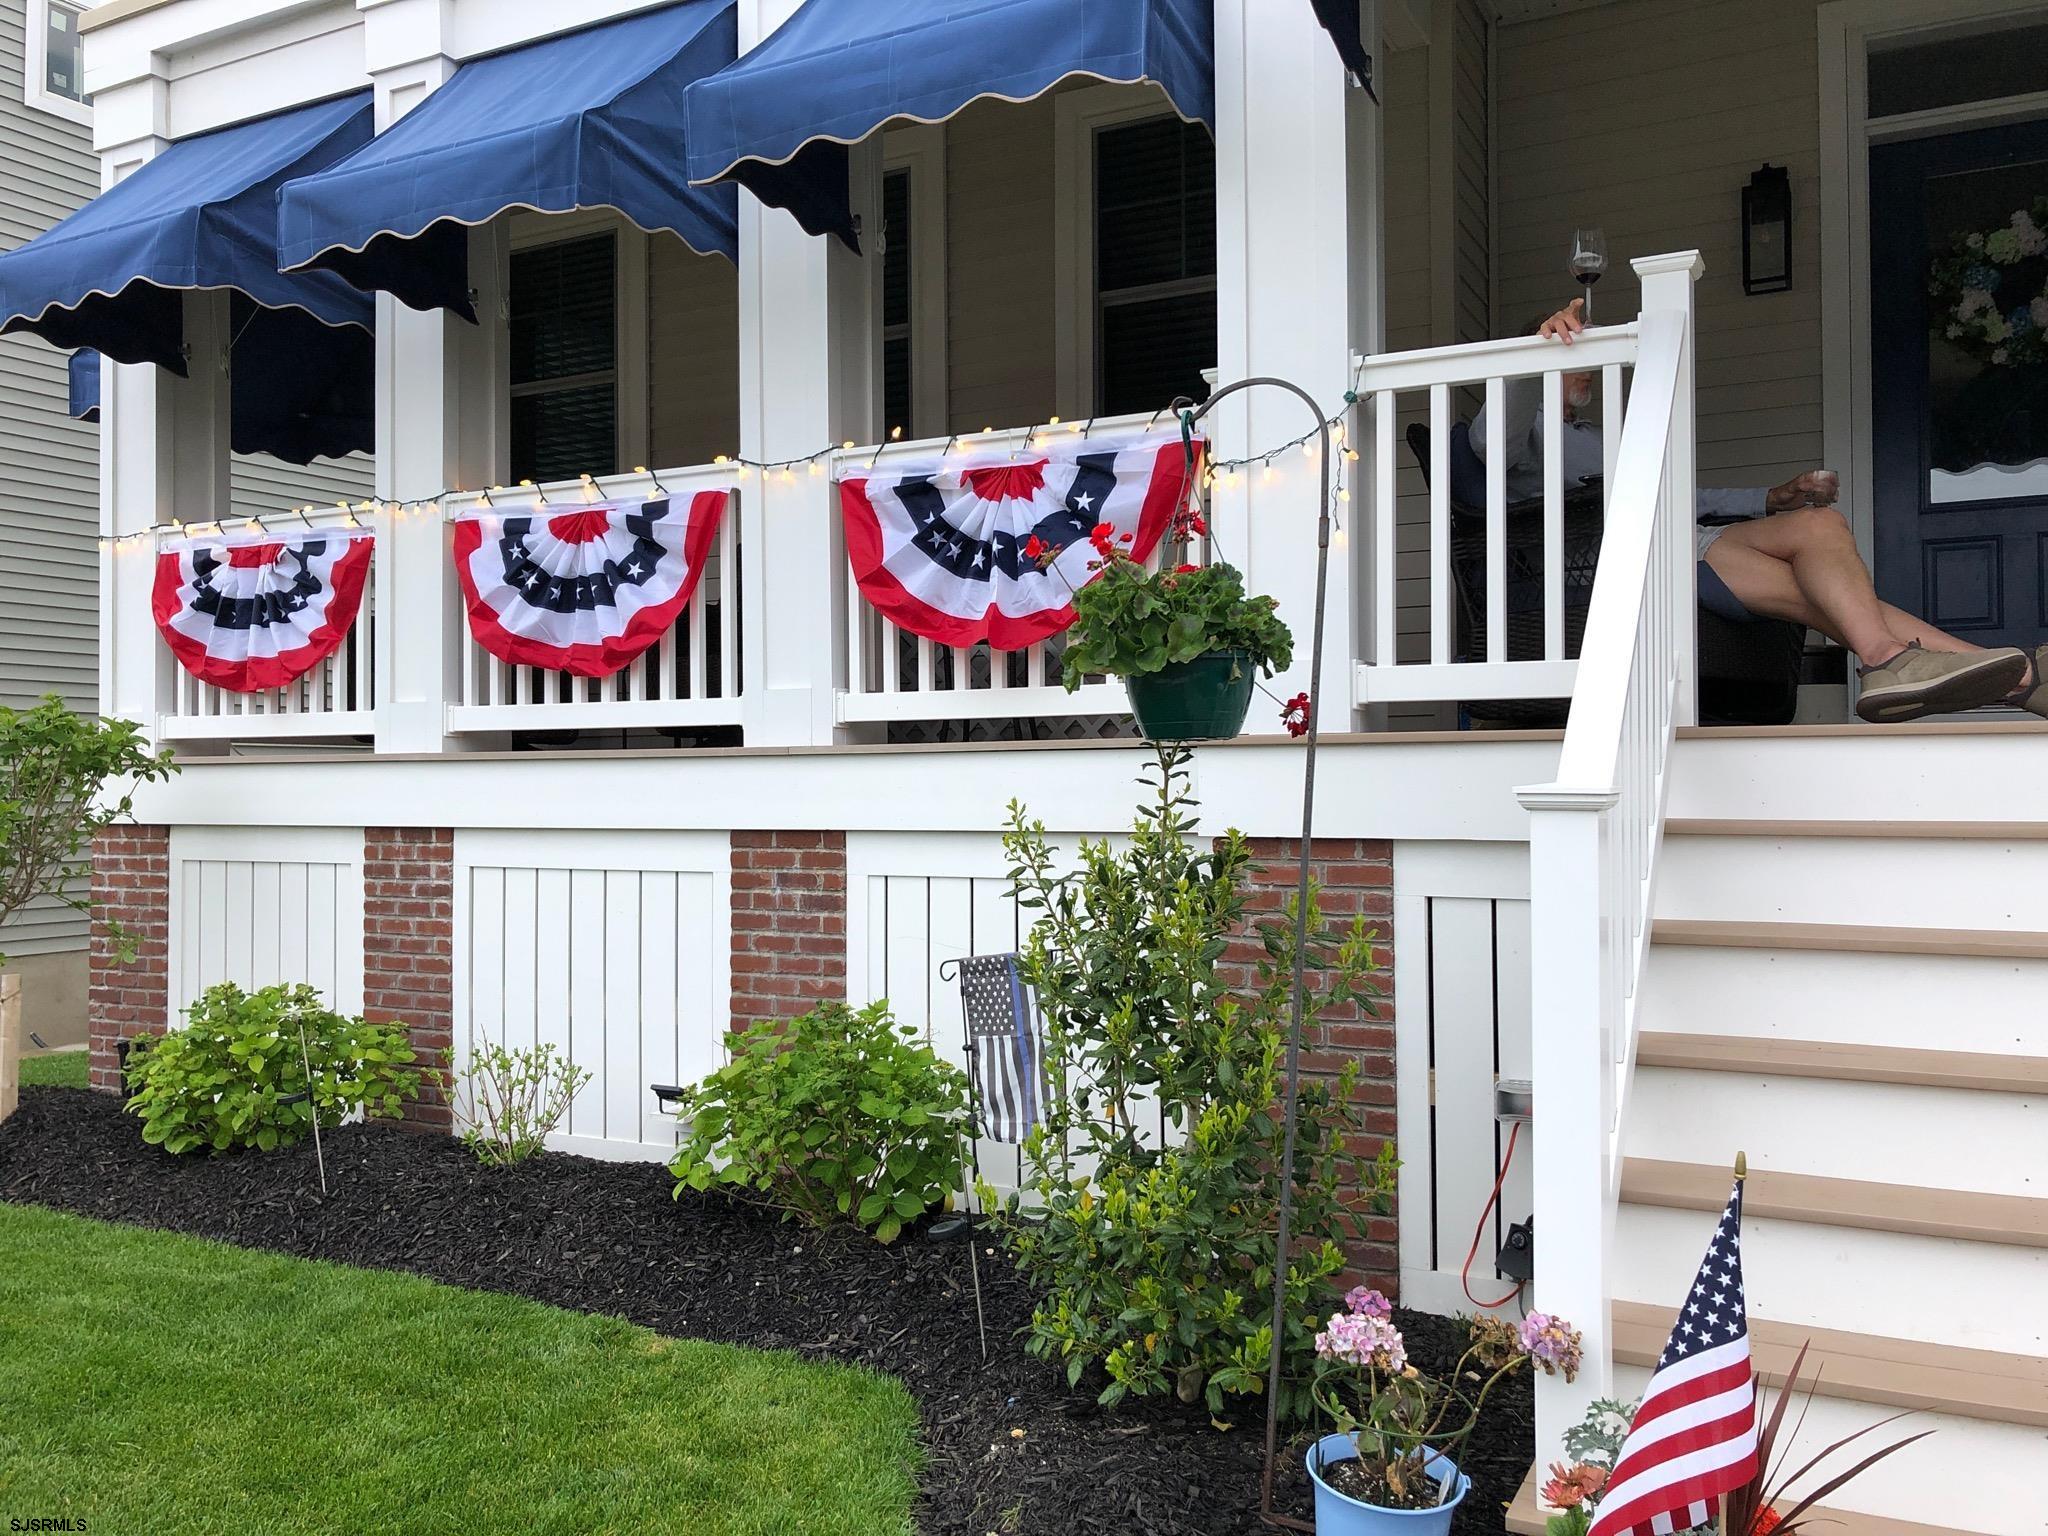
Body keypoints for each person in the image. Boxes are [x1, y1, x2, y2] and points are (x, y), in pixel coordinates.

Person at [1474, 297, 2045, 724]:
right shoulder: (1519, 429)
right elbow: (1487, 444)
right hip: (1610, 562)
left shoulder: (1597, 436)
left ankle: (1913, 665)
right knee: (1822, 595)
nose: (1588, 364)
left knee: (1820, 524)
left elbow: (1675, 497)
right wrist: (1534, 359)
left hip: (1682, 538)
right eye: (1578, 349)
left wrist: (1768, 499)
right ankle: (2016, 675)